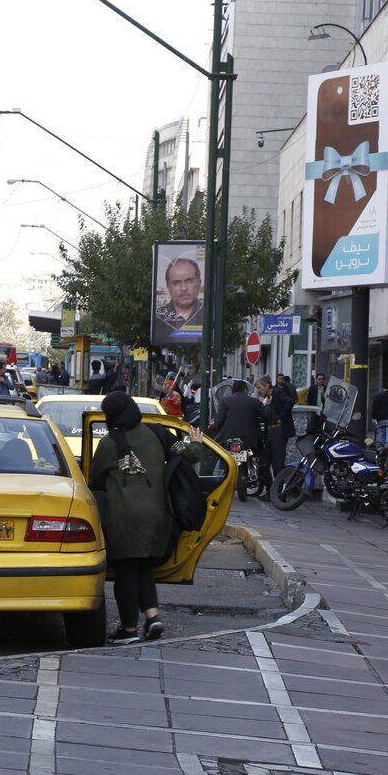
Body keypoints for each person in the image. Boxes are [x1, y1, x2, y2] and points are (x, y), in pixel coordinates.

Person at [90, 391, 205, 644]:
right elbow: (191, 455)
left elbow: (95, 480)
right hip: (159, 515)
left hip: (125, 518)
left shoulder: (110, 444)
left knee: (126, 573)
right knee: (144, 568)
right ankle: (153, 618)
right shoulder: (158, 433)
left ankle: (129, 630)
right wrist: (195, 441)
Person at [213, 379, 270, 496]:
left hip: (229, 438)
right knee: (260, 459)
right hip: (250, 438)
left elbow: (219, 421)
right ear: (245, 390)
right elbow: (265, 416)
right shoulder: (254, 402)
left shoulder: (225, 401)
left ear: (233, 390)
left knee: (222, 459)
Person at [152, 257, 203, 344]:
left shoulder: (210, 315)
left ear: (199, 283)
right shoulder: (158, 318)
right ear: (168, 286)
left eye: (189, 281)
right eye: (176, 283)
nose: (184, 288)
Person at [259, 374, 295, 478]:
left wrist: (282, 418)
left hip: (279, 431)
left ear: (267, 386)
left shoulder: (277, 392)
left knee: (277, 463)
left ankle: (278, 490)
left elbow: (290, 401)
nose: (258, 390)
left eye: (259, 387)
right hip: (270, 432)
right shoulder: (267, 398)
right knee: (265, 461)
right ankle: (271, 487)